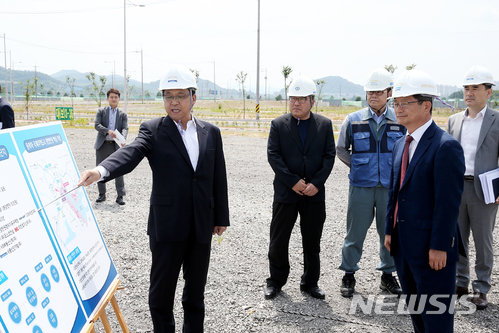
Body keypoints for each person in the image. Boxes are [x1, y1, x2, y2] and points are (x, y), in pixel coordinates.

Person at [78, 64, 230, 332]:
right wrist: (101, 170)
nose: (173, 102)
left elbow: (218, 177)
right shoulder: (153, 130)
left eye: (180, 95)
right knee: (161, 295)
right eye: (167, 96)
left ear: (194, 98)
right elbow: (132, 152)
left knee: (195, 295)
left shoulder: (211, 132)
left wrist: (221, 217)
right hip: (167, 225)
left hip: (201, 224)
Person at [384, 69, 465, 333]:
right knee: (418, 315)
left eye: (405, 103)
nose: (398, 109)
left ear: (426, 106)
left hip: (432, 252)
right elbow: (394, 193)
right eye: (395, 103)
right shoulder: (400, 144)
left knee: (437, 320)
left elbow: (448, 203)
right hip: (403, 245)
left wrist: (440, 246)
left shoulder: (445, 146)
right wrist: (388, 230)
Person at [264, 76, 335, 300]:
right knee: (278, 240)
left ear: (312, 101)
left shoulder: (324, 125)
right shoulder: (278, 124)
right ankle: (275, 281)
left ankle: (310, 282)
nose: (296, 103)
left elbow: (329, 156)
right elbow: (273, 156)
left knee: (312, 241)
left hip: (314, 194)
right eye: (293, 98)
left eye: (301, 99)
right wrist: (292, 181)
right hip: (286, 193)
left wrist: (316, 183)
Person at [336, 68, 405, 298]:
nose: (373, 96)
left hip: (389, 187)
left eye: (378, 92)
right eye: (369, 92)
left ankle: (387, 275)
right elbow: (341, 149)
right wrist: (359, 166)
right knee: (354, 233)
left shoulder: (399, 120)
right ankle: (348, 274)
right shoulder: (353, 119)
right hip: (361, 187)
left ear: (389, 92)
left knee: (389, 233)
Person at [447, 65, 499, 310]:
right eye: (466, 88)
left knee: (483, 241)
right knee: (457, 239)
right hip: (457, 188)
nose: (469, 92)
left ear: (488, 92)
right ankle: (460, 282)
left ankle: (481, 288)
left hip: (485, 191)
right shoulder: (454, 120)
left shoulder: (497, 120)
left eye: (475, 88)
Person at [93, 88, 128, 205]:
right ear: (107, 98)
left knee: (118, 170)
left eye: (116, 97)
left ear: (119, 99)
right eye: (111, 97)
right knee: (100, 170)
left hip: (116, 146)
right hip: (102, 145)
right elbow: (97, 125)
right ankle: (101, 194)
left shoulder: (123, 114)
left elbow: (125, 128)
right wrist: (108, 131)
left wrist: (123, 138)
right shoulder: (101, 111)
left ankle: (120, 196)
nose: (114, 99)